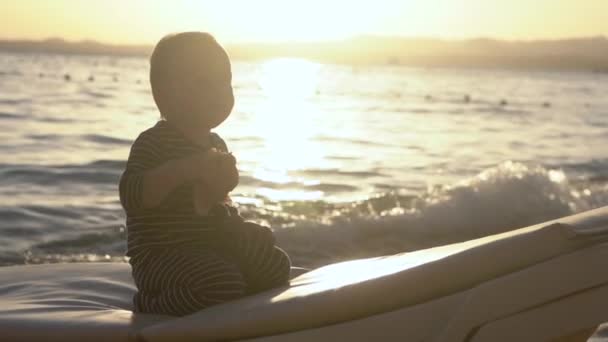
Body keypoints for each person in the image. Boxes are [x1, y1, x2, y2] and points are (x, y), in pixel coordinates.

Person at [119, 32, 291, 316]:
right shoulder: (153, 143)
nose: (219, 93)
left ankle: (236, 290)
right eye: (204, 84)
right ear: (164, 94)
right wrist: (184, 170)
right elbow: (133, 195)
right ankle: (151, 303)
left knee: (275, 265)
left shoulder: (215, 144)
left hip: (213, 245)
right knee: (218, 283)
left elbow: (216, 203)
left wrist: (229, 197)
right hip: (163, 258)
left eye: (224, 82)